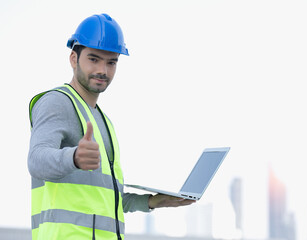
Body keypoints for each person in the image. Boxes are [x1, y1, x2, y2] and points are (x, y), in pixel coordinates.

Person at [27, 13, 195, 240]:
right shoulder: (57, 102)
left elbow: (109, 198)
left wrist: (153, 201)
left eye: (111, 62)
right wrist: (74, 157)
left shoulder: (104, 121)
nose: (103, 71)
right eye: (93, 59)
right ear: (73, 59)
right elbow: (36, 160)